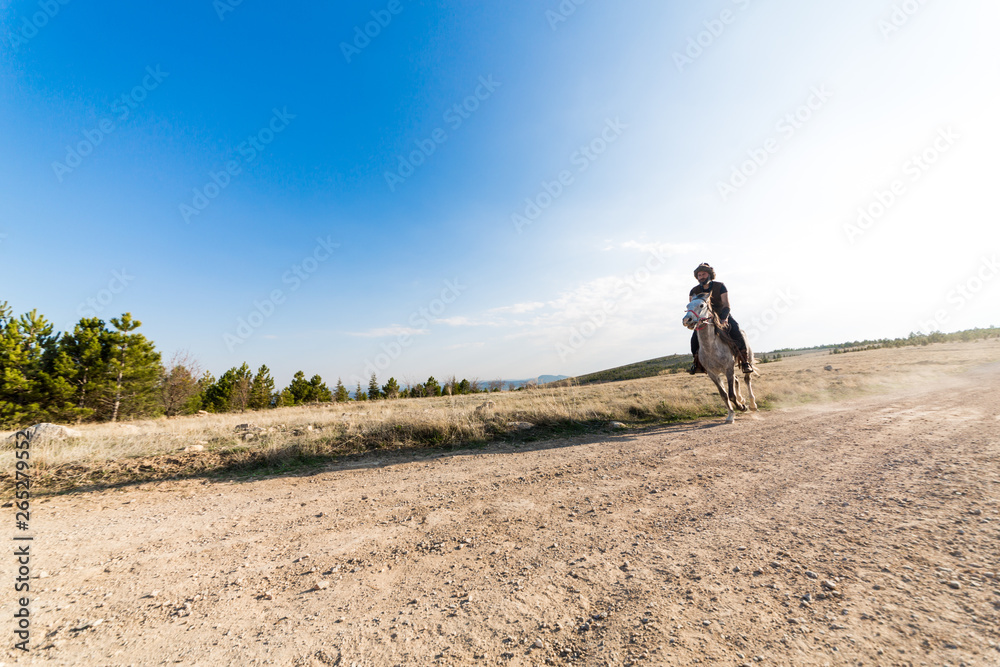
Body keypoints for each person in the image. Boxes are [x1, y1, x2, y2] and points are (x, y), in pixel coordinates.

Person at [687, 262, 754, 374]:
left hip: (722, 315)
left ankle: (744, 361)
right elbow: (693, 307)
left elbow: (726, 304)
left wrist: (724, 318)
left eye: (703, 274)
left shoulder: (720, 286)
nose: (701, 277)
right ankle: (697, 363)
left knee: (736, 331)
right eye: (699, 275)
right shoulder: (694, 291)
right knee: (694, 339)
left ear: (709, 275)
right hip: (704, 319)